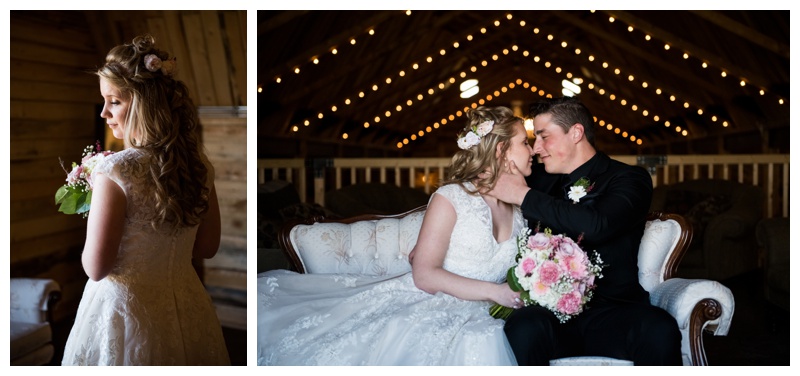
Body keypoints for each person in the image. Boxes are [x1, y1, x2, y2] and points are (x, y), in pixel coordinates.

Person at [256, 106, 534, 365]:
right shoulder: (452, 197)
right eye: (525, 142)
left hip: (489, 314)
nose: (532, 150)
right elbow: (424, 275)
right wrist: (496, 292)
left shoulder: (521, 209)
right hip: (435, 303)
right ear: (502, 150)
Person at [61, 34, 230, 366]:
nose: (105, 113)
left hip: (125, 312)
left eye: (114, 101)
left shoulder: (115, 171)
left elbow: (96, 268)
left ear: (141, 102)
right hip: (186, 303)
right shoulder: (199, 168)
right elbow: (207, 247)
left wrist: (96, 205)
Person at [486, 96, 682, 365]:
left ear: (576, 132)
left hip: (614, 313)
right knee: (523, 326)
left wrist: (524, 196)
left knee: (659, 329)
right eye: (533, 140)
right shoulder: (536, 180)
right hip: (548, 314)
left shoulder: (628, 179)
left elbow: (598, 225)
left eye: (544, 137)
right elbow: (485, 181)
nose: (536, 148)